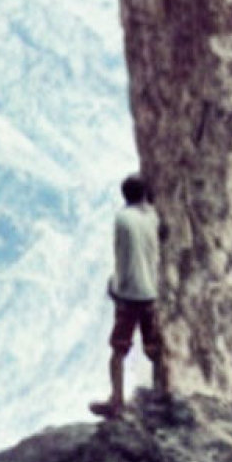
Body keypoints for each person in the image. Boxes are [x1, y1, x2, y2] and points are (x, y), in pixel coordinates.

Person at [89, 174, 168, 419]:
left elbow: (122, 258)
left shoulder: (122, 219)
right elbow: (163, 235)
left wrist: (115, 286)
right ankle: (162, 395)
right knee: (154, 348)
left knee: (119, 349)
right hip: (151, 293)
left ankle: (116, 401)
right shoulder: (153, 218)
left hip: (129, 294)